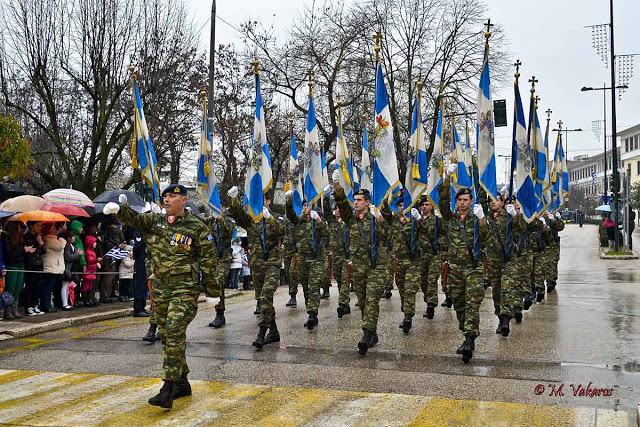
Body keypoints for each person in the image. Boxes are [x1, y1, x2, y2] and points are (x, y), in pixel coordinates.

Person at [105, 184, 218, 409]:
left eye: (172, 196)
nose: (167, 200)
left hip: (185, 288)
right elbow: (137, 221)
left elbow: (209, 262)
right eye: (165, 196)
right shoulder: (156, 222)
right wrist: (119, 210)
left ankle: (168, 388)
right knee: (167, 335)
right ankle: (182, 382)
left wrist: (213, 293)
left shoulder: (197, 227)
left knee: (174, 329)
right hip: (161, 287)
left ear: (184, 200)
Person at [332, 170, 388, 356]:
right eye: (354, 199)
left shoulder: (376, 218)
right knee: (363, 302)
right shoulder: (351, 219)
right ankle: (372, 332)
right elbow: (342, 204)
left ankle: (365, 335)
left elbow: (388, 238)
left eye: (359, 200)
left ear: (367, 202)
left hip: (376, 268)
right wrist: (338, 187)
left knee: (372, 301)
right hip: (358, 267)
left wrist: (379, 219)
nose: (355, 202)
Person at [439, 164, 488, 363]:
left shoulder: (477, 219)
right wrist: (447, 177)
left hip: (473, 268)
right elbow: (442, 201)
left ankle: (469, 338)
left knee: (472, 304)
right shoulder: (450, 219)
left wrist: (483, 219)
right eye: (459, 199)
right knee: (459, 304)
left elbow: (488, 239)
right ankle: (466, 333)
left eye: (465, 199)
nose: (462, 202)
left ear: (471, 201)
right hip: (455, 268)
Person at [227, 186, 283, 349]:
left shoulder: (276, 217)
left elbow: (282, 230)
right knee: (262, 298)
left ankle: (262, 332)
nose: (258, 204)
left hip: (272, 263)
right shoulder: (252, 220)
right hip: (257, 264)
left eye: (261, 201)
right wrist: (235, 200)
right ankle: (274, 332)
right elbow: (238, 217)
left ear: (268, 201)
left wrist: (269, 218)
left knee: (266, 295)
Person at [285, 191, 328, 330]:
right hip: (303, 260)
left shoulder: (320, 222)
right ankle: (311, 311)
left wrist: (319, 221)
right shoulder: (299, 222)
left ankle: (312, 314)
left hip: (317, 259)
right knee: (305, 287)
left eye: (308, 205)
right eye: (304, 206)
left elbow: (327, 234)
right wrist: (289, 200)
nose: (306, 208)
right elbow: (290, 215)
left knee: (314, 286)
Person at [381, 198, 423, 333]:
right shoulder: (394, 220)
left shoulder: (416, 220)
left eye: (404, 205)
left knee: (410, 289)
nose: (402, 208)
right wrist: (386, 198)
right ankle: (406, 311)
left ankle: (408, 317)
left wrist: (420, 220)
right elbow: (385, 212)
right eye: (399, 205)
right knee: (402, 288)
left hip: (413, 261)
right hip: (399, 260)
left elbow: (426, 233)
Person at [202, 205, 235, 329]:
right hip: (212, 258)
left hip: (224, 257)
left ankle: (220, 315)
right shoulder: (209, 221)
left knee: (219, 280)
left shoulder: (229, 220)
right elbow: (196, 222)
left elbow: (229, 230)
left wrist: (220, 218)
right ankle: (219, 313)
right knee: (212, 284)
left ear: (223, 208)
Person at [324, 194, 351, 318]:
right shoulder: (332, 222)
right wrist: (325, 197)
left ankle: (342, 304)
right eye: (336, 209)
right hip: (335, 255)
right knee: (339, 280)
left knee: (345, 280)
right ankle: (346, 304)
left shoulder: (348, 222)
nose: (338, 211)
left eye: (340, 208)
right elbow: (326, 210)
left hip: (347, 255)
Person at [2, 221, 26, 319]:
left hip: (20, 265)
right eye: (20, 228)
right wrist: (24, 251)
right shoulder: (7, 237)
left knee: (18, 288)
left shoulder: (20, 239)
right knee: (10, 288)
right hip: (12, 265)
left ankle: (14, 309)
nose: (21, 231)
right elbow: (8, 253)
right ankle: (7, 310)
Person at [60, 230, 82, 310]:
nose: (74, 238)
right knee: (65, 286)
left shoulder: (72, 245)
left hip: (72, 268)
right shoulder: (67, 246)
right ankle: (64, 304)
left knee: (69, 286)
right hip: (67, 268)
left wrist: (78, 254)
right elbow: (68, 257)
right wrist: (77, 254)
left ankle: (68, 302)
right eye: (72, 236)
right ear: (68, 238)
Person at [132, 231, 150, 318]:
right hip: (141, 260)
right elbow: (137, 247)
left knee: (144, 286)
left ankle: (142, 307)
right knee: (140, 285)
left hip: (145, 260)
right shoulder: (139, 232)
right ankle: (138, 309)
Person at [69, 221, 86, 308]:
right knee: (75, 282)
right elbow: (81, 252)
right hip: (77, 263)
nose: (82, 229)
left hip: (76, 263)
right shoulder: (76, 238)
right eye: (80, 227)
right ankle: (74, 300)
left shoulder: (77, 237)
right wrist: (83, 264)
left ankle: (75, 300)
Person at [83, 235, 101, 307]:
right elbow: (89, 260)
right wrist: (96, 260)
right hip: (88, 271)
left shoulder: (92, 251)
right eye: (94, 242)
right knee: (86, 285)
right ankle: (86, 300)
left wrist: (96, 262)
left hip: (92, 270)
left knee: (90, 286)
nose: (95, 244)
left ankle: (90, 299)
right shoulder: (87, 251)